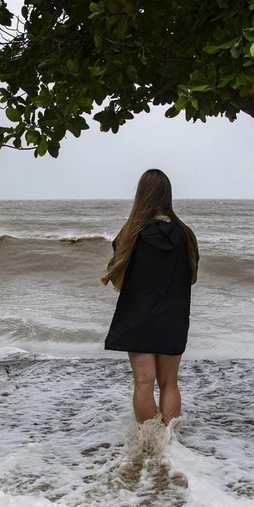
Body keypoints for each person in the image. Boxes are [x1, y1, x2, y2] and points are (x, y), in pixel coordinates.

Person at [102, 169, 199, 424]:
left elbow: (116, 274)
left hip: (138, 316)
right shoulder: (185, 234)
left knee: (143, 383)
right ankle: (168, 444)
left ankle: (148, 443)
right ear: (167, 195)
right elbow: (191, 274)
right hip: (173, 317)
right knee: (170, 383)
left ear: (141, 195)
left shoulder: (130, 233)